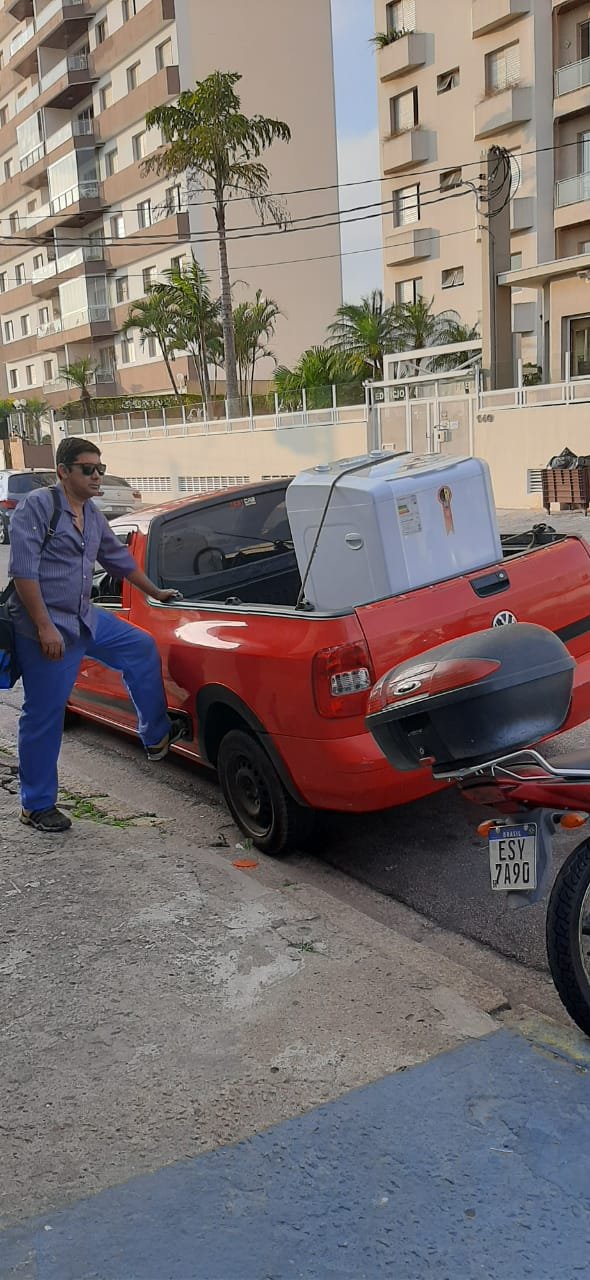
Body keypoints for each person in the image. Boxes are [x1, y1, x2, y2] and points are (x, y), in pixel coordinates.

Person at [8, 437, 184, 834]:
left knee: (140, 647)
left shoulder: (91, 513)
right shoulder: (38, 507)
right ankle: (35, 805)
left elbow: (117, 559)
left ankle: (155, 735)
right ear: (63, 472)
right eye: (88, 469)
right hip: (46, 629)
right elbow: (23, 571)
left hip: (85, 618)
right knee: (43, 717)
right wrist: (44, 626)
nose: (97, 475)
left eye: (100, 468)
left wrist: (155, 592)